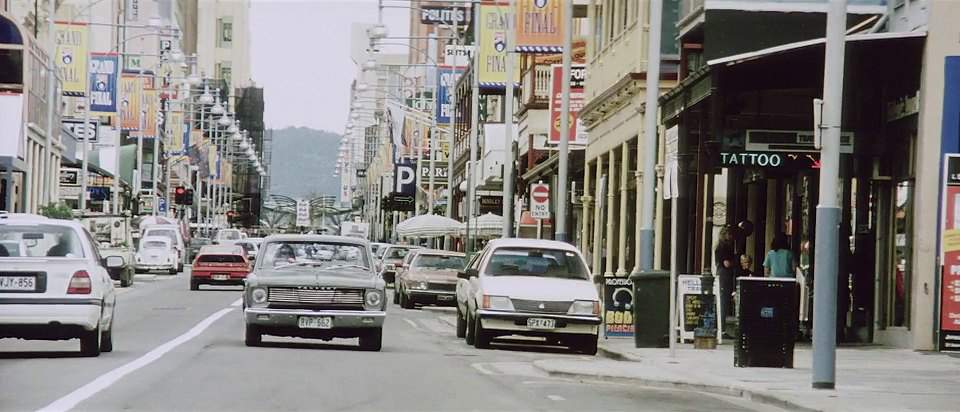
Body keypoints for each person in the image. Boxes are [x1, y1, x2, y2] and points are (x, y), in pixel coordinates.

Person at [715, 226, 737, 326]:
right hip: (724, 274)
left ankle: (721, 325)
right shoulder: (724, 247)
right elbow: (726, 263)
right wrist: (734, 262)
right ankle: (721, 326)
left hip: (721, 273)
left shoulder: (720, 246)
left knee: (723, 299)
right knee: (723, 300)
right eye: (729, 234)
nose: (731, 236)